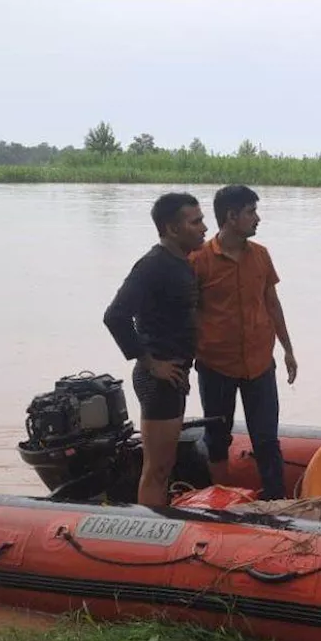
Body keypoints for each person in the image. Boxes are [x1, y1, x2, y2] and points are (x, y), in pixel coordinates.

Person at [189, 184, 297, 500]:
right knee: (218, 438)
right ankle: (219, 502)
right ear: (231, 216)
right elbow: (188, 313)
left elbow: (273, 304)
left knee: (266, 439)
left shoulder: (261, 256)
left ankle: (276, 504)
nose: (257, 218)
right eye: (251, 212)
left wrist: (288, 349)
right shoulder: (199, 261)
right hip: (216, 366)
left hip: (260, 364)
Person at [103, 192, 208, 507]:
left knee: (165, 464)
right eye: (196, 221)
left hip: (175, 374)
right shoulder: (153, 265)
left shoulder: (182, 263)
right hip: (159, 377)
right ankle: (150, 531)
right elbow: (115, 316)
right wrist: (151, 363)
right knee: (158, 469)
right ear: (172, 229)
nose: (204, 228)